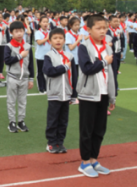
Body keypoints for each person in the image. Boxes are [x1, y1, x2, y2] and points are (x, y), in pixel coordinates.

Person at [76, 15, 116, 178]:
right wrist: (104, 62)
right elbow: (87, 69)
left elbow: (111, 74)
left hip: (103, 93)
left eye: (104, 28)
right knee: (87, 130)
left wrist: (112, 96)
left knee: (99, 129)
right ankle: (85, 162)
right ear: (88, 29)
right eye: (98, 28)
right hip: (88, 94)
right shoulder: (84, 47)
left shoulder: (108, 47)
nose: (102, 31)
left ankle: (94, 159)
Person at [43, 28, 77, 154]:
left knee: (63, 120)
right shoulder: (48, 56)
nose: (58, 41)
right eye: (55, 38)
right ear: (50, 41)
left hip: (66, 93)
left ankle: (60, 142)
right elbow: (49, 71)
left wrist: (74, 95)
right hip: (54, 93)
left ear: (64, 40)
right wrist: (64, 67)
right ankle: (51, 143)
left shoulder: (70, 56)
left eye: (61, 38)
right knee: (53, 120)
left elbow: (74, 76)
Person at [4, 21, 35, 133]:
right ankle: (12, 121)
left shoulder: (27, 46)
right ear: (11, 32)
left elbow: (31, 64)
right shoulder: (8, 46)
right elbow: (7, 61)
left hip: (24, 78)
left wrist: (31, 79)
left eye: (21, 31)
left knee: (23, 101)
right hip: (12, 77)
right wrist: (19, 56)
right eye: (16, 31)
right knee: (11, 101)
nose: (19, 33)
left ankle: (21, 121)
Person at [34, 17, 51, 94]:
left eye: (46, 22)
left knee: (48, 72)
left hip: (49, 56)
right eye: (43, 22)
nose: (45, 23)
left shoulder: (50, 32)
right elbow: (39, 42)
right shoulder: (38, 32)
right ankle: (41, 88)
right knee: (40, 72)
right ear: (40, 23)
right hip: (40, 56)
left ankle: (47, 87)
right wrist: (47, 38)